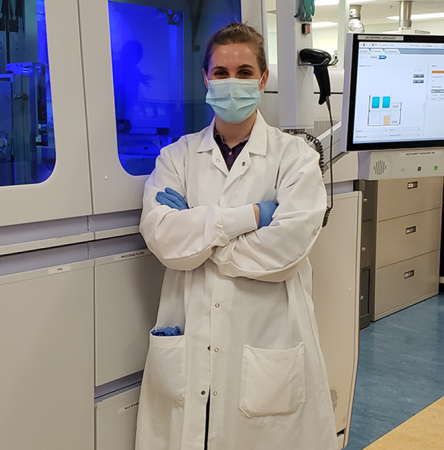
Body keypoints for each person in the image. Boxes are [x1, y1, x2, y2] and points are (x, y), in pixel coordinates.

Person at [136, 22, 337, 450]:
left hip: (268, 339)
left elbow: (285, 249)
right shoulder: (178, 157)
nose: (233, 83)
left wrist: (202, 239)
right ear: (206, 79)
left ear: (263, 80)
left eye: (245, 72)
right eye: (222, 73)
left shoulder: (295, 158)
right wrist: (251, 216)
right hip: (190, 343)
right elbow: (163, 237)